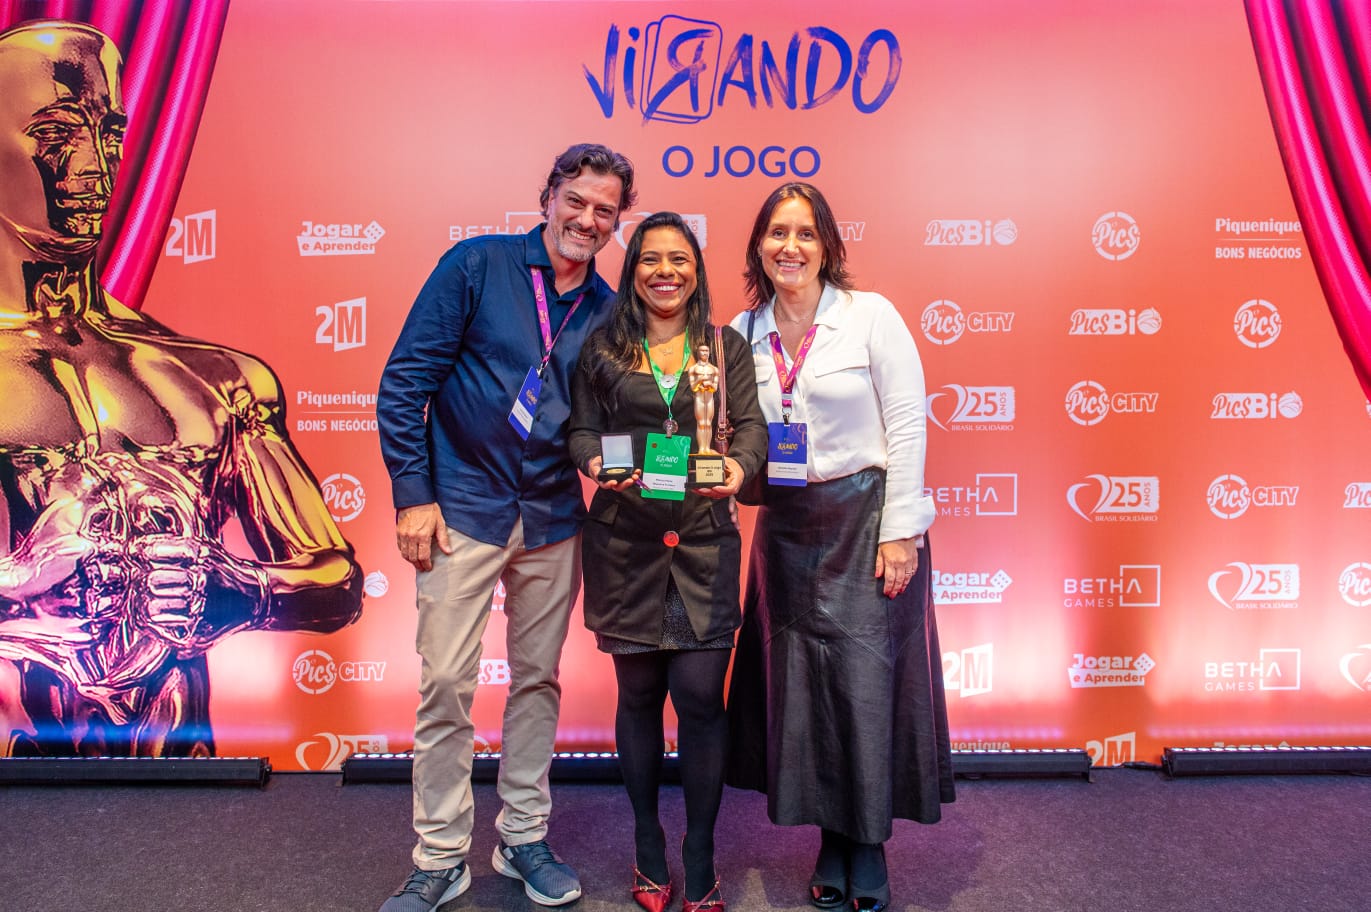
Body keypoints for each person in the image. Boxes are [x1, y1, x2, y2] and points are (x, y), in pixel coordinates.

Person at [0, 21, 362, 758]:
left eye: (109, 135)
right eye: (57, 133)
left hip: (178, 771)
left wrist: (245, 592)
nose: (95, 168)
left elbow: (335, 577)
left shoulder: (213, 376)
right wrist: (19, 593)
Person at [376, 143, 636, 912]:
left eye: (604, 211)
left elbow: (613, 418)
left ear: (617, 222)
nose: (586, 219)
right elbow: (406, 383)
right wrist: (413, 496)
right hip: (460, 508)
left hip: (553, 516)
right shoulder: (477, 265)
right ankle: (439, 857)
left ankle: (522, 837)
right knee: (446, 684)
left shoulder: (608, 310)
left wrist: (642, 466)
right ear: (549, 196)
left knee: (536, 682)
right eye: (576, 201)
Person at [724, 182, 955, 912]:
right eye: (776, 233)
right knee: (802, 690)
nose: (789, 246)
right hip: (785, 526)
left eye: (805, 233)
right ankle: (830, 836)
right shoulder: (740, 332)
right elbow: (734, 434)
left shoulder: (869, 316)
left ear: (827, 245)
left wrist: (901, 531)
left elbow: (908, 424)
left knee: (864, 686)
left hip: (866, 520)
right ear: (759, 246)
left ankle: (868, 843)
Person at [569, 211, 766, 912]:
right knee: (639, 699)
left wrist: (739, 469)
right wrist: (594, 462)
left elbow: (751, 427)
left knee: (701, 703)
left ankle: (700, 850)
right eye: (650, 259)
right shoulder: (604, 346)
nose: (665, 271)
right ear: (632, 272)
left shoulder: (723, 345)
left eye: (678, 259)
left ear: (696, 270)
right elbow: (582, 428)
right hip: (626, 545)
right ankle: (648, 842)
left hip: (704, 544)